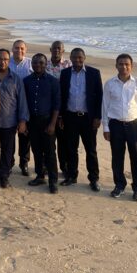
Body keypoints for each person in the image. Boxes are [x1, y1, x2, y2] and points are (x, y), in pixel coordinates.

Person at [102, 54, 137, 202]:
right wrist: (106, 127)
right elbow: (105, 106)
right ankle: (119, 185)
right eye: (121, 64)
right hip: (115, 125)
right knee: (117, 157)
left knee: (136, 159)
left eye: (127, 64)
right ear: (116, 66)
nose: (124, 67)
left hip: (134, 125)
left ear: (131, 66)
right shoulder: (110, 84)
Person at [59, 48, 103, 191]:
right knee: (71, 149)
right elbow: (62, 97)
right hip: (70, 117)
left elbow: (99, 97)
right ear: (70, 58)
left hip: (88, 119)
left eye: (80, 58)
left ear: (84, 58)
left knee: (91, 149)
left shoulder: (94, 73)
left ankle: (94, 179)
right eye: (74, 58)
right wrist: (61, 116)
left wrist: (98, 117)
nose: (77, 60)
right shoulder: (65, 74)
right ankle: (72, 176)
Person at [0, 49, 29, 189]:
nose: (2, 62)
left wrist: (22, 121)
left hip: (9, 122)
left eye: (5, 59)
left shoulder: (16, 79)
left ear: (8, 61)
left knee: (7, 151)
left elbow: (22, 101)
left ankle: (3, 177)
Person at [23, 53, 61, 194]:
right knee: (36, 150)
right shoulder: (26, 81)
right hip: (32, 121)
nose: (38, 65)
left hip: (47, 121)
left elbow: (57, 105)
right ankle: (40, 176)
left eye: (41, 63)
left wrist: (52, 124)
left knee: (50, 152)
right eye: (35, 63)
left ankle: (53, 181)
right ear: (31, 64)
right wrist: (25, 123)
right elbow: (24, 103)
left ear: (46, 64)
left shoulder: (53, 81)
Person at [46, 40, 72, 177]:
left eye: (59, 48)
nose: (56, 50)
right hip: (48, 109)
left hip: (64, 109)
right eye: (54, 48)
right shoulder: (45, 64)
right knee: (48, 140)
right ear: (50, 49)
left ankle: (64, 167)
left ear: (63, 50)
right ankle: (47, 166)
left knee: (63, 141)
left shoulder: (68, 65)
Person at [9, 39, 33, 176]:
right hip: (10, 107)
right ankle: (10, 162)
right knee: (9, 138)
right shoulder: (7, 63)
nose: (19, 51)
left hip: (26, 106)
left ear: (25, 50)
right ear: (12, 49)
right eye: (17, 48)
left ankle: (24, 163)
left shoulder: (31, 64)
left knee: (25, 137)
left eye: (22, 48)